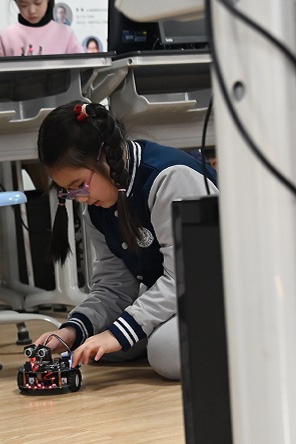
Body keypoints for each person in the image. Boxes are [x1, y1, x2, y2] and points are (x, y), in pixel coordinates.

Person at [34, 101, 218, 380]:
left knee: (166, 351)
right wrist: (71, 331)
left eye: (79, 185)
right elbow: (114, 285)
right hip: (183, 294)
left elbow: (187, 276)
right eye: (68, 191)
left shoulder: (168, 177)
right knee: (93, 342)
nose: (80, 197)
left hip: (224, 289)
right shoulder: (97, 206)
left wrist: (119, 333)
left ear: (105, 156)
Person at [0, 0, 83, 56]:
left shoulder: (65, 34)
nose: (32, 11)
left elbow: (81, 70)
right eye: (24, 5)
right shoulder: (5, 36)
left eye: (38, 3)